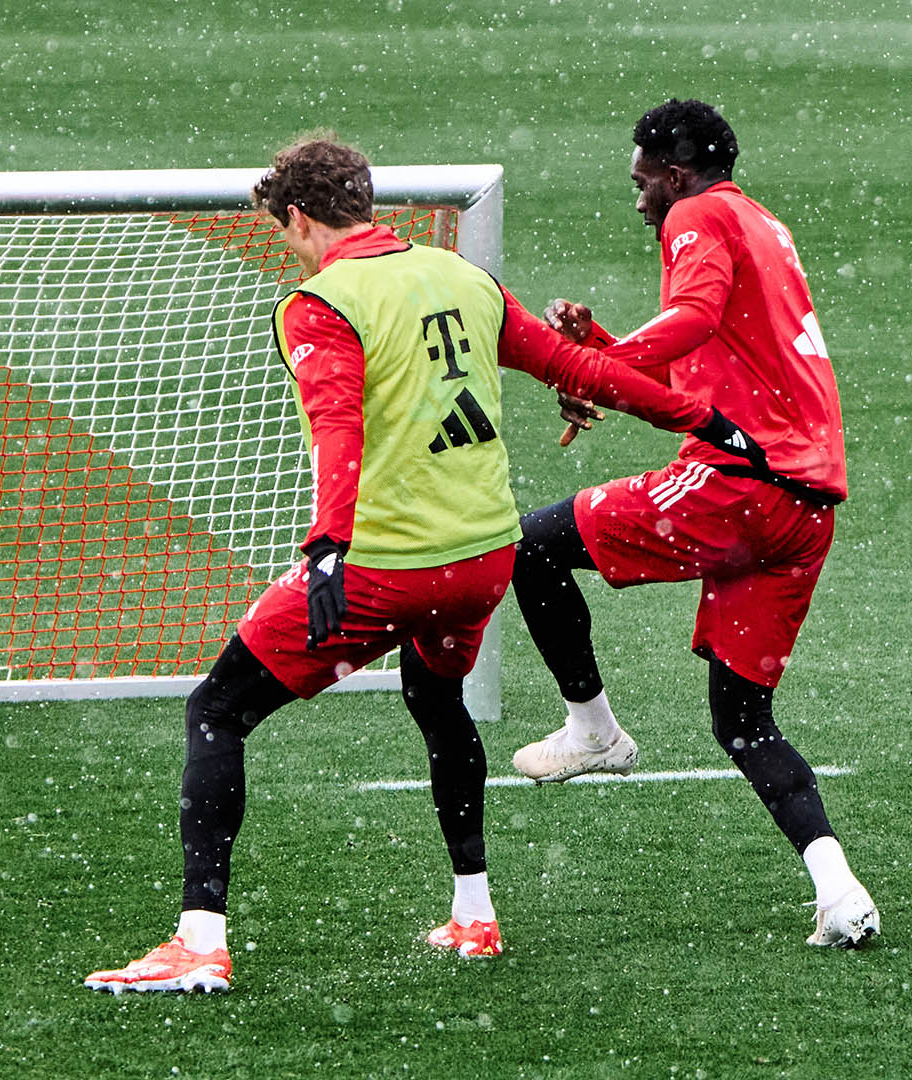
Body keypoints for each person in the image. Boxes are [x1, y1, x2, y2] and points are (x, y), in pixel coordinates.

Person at [84, 135, 767, 993]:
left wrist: (329, 547)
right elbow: (577, 367)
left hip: (384, 566)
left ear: (298, 217)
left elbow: (338, 427)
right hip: (481, 561)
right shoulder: (462, 279)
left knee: (217, 712)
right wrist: (701, 420)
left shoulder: (319, 304)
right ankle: (474, 916)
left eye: (284, 228)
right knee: (436, 695)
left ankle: (198, 942)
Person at [506, 98, 876, 947]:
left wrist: (589, 362)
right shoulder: (757, 221)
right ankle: (840, 889)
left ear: (674, 174)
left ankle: (593, 731)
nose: (637, 201)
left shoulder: (698, 214)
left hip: (739, 487)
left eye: (642, 183)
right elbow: (709, 357)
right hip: (805, 507)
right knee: (743, 721)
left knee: (530, 546)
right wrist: (601, 346)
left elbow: (695, 321)